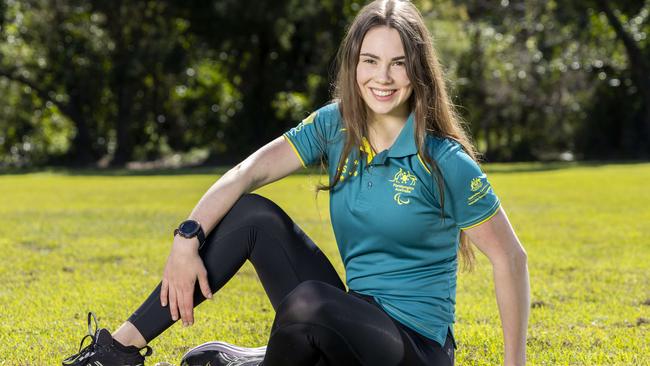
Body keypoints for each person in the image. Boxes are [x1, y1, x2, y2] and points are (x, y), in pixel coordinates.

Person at [62, 1, 530, 365]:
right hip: (352, 318)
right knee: (251, 215)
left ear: (418, 70)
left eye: (398, 63)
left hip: (414, 348)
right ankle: (116, 352)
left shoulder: (445, 160)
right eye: (370, 61)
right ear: (353, 65)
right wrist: (187, 238)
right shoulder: (337, 125)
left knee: (311, 303)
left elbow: (510, 258)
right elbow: (248, 173)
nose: (382, 78)